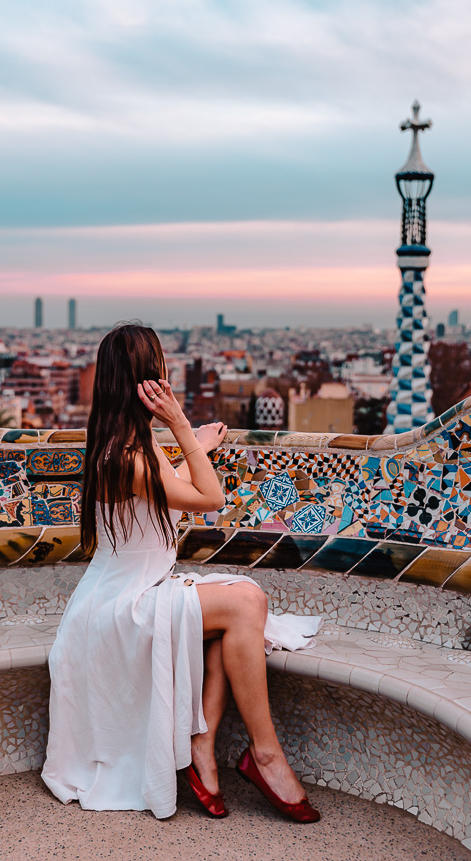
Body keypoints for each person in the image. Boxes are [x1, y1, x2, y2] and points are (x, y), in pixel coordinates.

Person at [41, 324, 322, 822]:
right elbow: (211, 499)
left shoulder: (125, 444)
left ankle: (203, 745)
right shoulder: (127, 455)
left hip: (131, 593)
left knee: (232, 619)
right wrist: (181, 424)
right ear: (149, 381)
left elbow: (162, 484)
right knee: (246, 603)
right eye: (159, 370)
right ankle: (265, 754)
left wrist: (192, 446)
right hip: (119, 612)